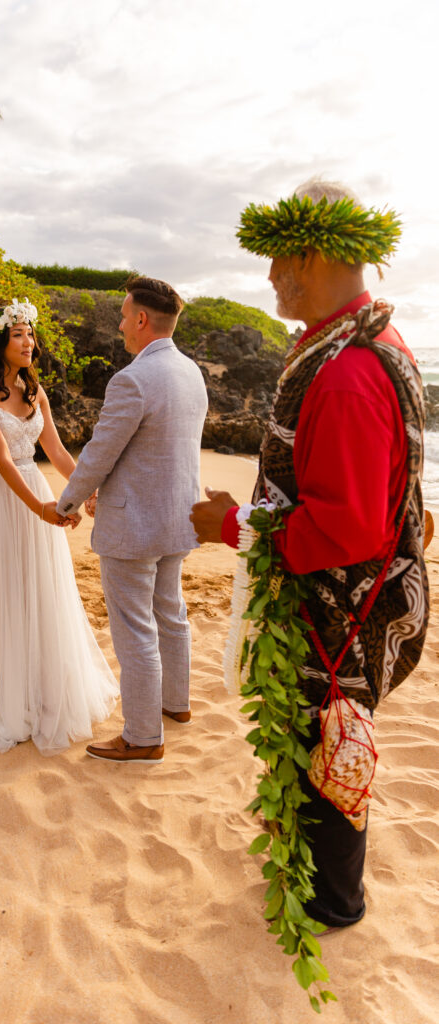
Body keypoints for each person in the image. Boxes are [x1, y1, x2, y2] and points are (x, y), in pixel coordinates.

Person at [190, 180, 429, 928]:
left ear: (315, 252)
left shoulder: (350, 372)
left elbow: (350, 527)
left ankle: (330, 904)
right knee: (316, 742)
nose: (268, 277)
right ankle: (305, 867)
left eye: (276, 259)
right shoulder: (367, 344)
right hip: (355, 601)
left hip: (339, 614)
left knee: (326, 741)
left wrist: (231, 526)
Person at [0, 299, 118, 754]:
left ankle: (39, 688)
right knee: (6, 593)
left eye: (31, 334)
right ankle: (2, 695)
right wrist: (42, 509)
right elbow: (3, 463)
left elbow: (55, 451)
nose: (29, 342)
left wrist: (87, 489)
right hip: (3, 499)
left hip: (35, 493)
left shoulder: (34, 390)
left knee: (41, 592)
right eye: (19, 334)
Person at [54, 277, 208, 763]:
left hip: (134, 525)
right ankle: (175, 706)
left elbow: (102, 453)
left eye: (123, 315)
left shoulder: (133, 379)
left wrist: (69, 502)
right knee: (171, 613)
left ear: (142, 320)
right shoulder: (191, 373)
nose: (120, 325)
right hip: (179, 519)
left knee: (136, 628)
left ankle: (143, 736)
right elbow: (161, 451)